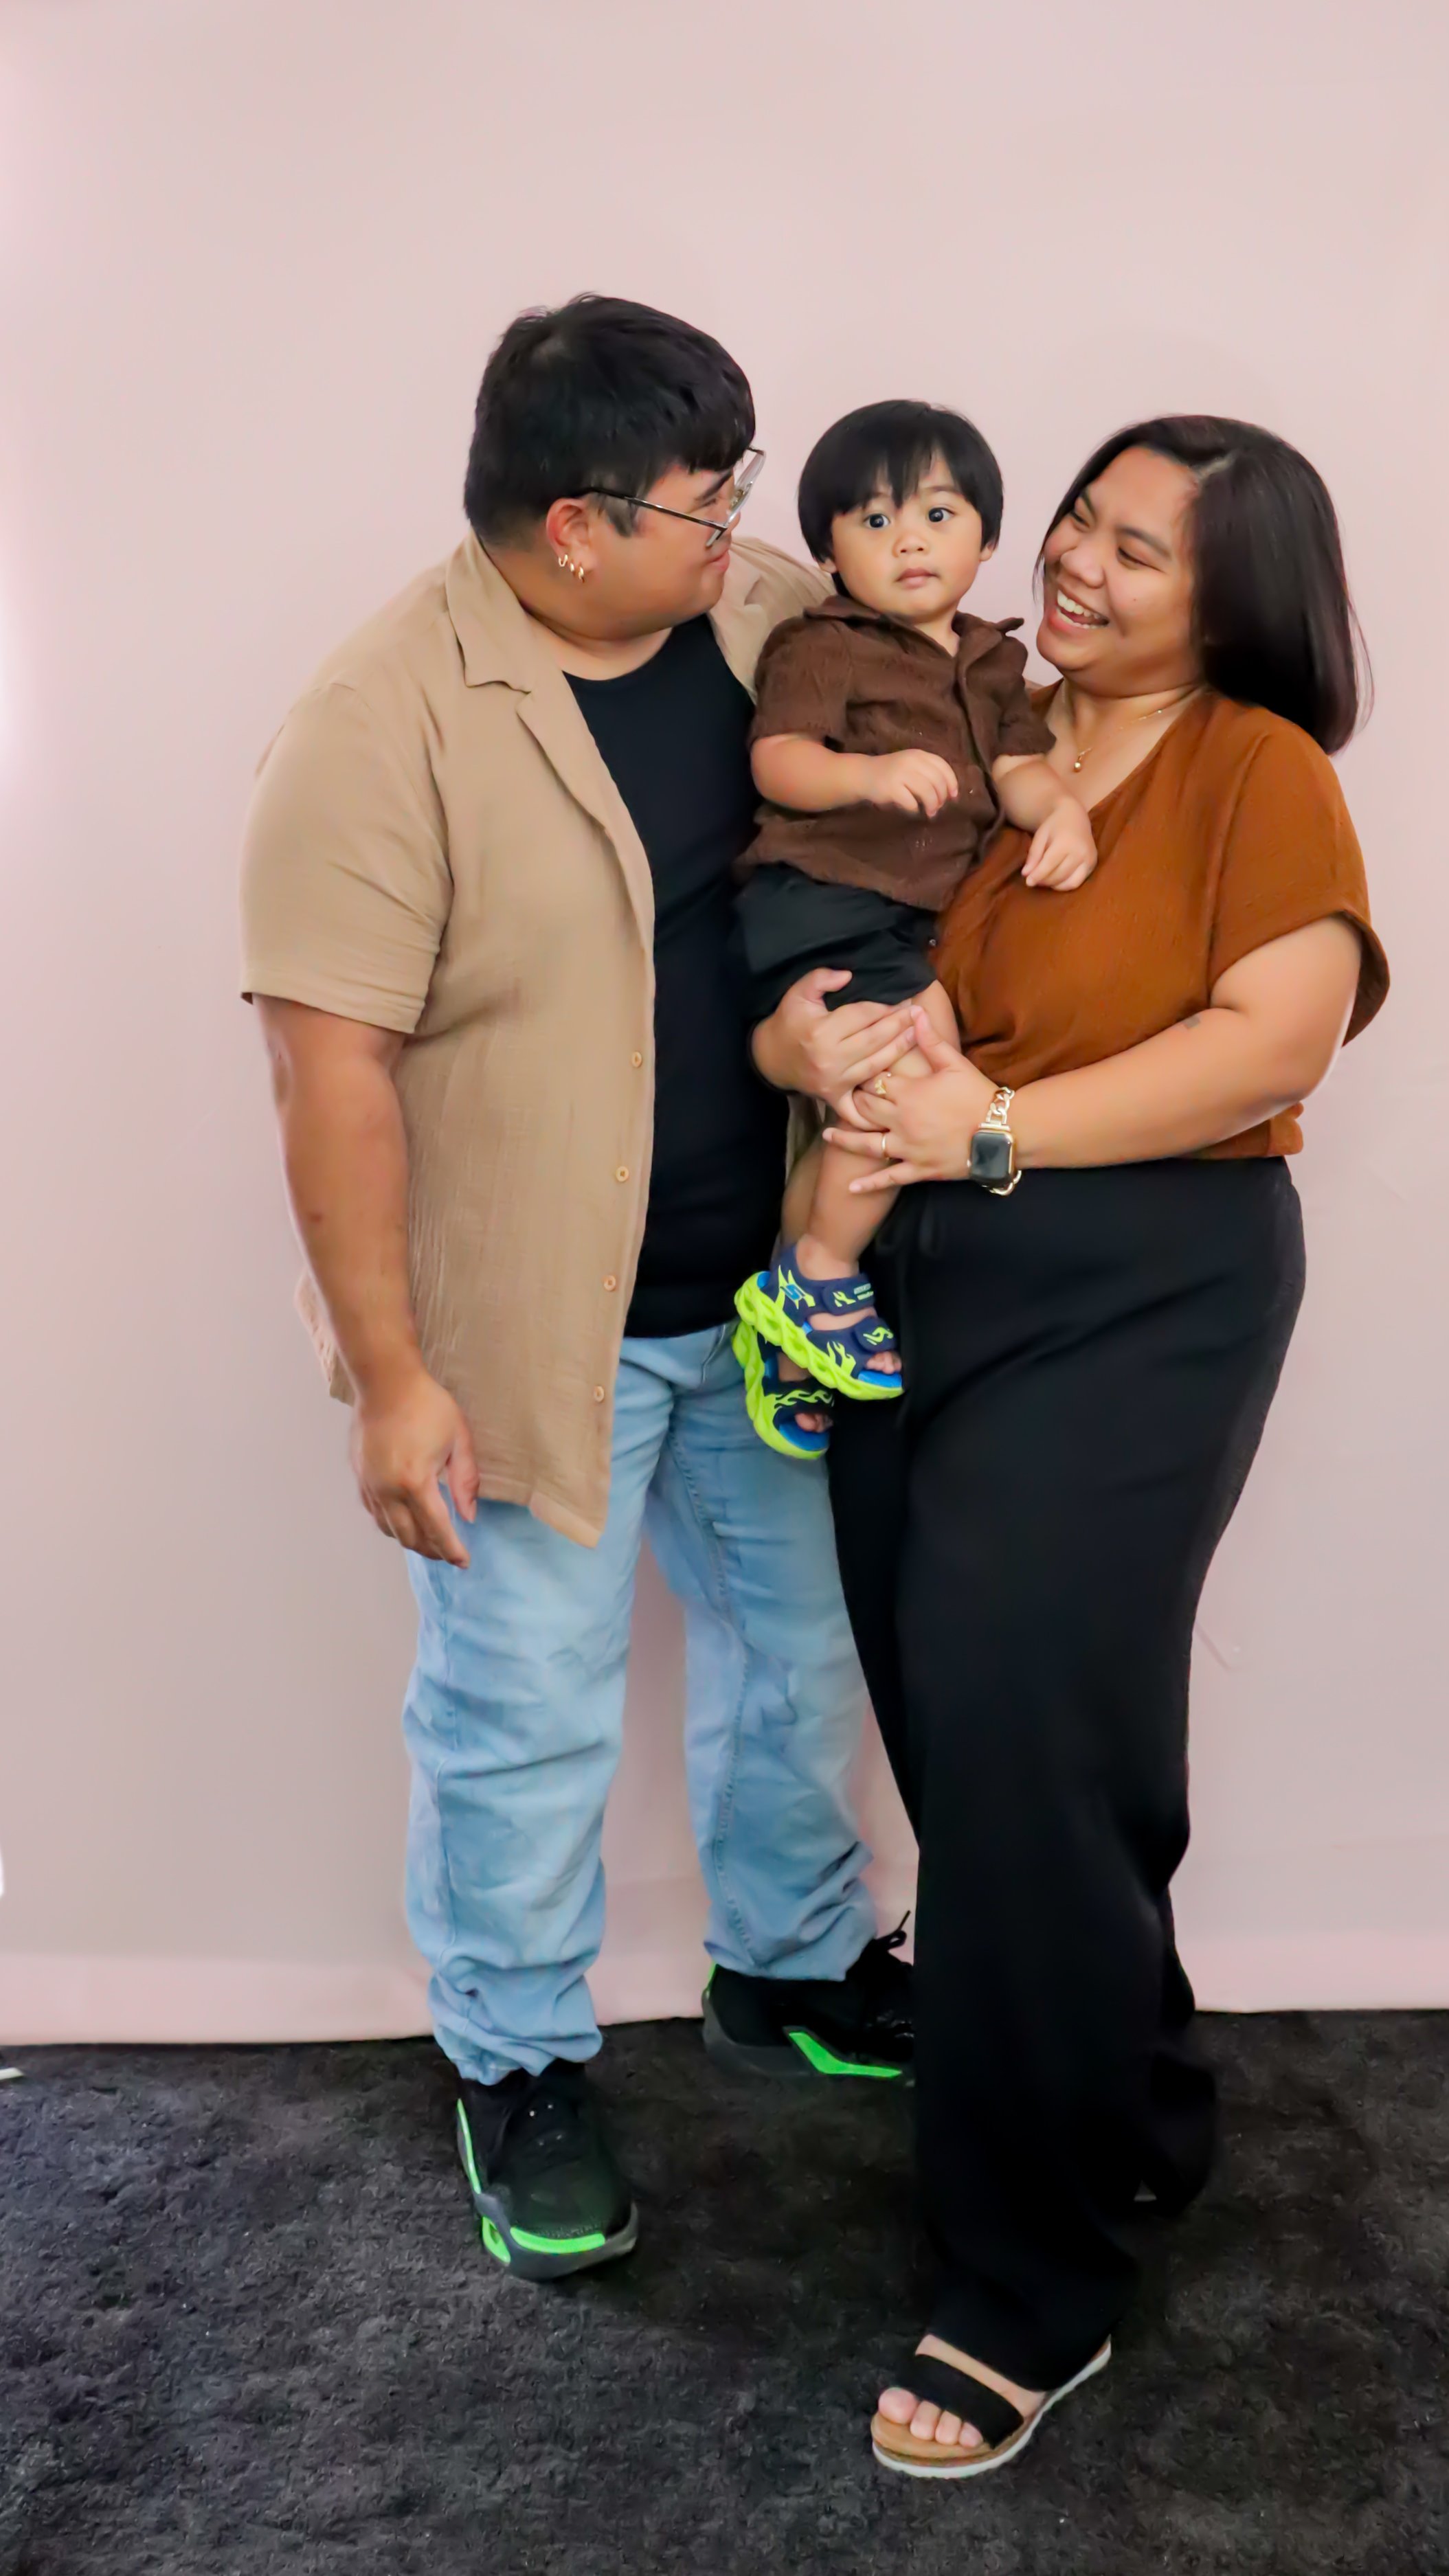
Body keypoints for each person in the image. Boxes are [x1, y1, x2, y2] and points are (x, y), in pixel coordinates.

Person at [238, 295, 923, 2290]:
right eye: (705, 503)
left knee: (806, 1652)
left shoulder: (757, 622)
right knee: (521, 1714)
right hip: (531, 1331)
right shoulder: (372, 727)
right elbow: (329, 1071)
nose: (743, 528)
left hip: (774, 1295)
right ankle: (517, 2057)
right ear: (570, 526)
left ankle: (787, 1962)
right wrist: (387, 1378)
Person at [816, 417, 1391, 2475]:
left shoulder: (1254, 763)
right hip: (920, 1290)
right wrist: (833, 1044)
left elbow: (1275, 1033)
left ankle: (1021, 2285)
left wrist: (987, 1127)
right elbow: (822, 949)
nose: (1072, 560)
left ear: (1227, 599)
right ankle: (1133, 2102)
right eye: (1076, 520)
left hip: (1145, 1284)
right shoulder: (972, 728)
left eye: (1137, 549)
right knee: (1008, 1743)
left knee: (1016, 1739)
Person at [730, 402, 1094, 1447]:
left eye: (939, 514)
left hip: (904, 924)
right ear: (829, 551)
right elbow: (777, 759)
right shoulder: (825, 643)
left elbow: (1020, 768)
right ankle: (823, 1276)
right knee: (916, 1064)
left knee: (884, 1078)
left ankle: (786, 1322)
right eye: (876, 521)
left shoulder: (992, 663)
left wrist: (1060, 812)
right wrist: (867, 773)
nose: (911, 541)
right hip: (824, 898)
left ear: (986, 537)